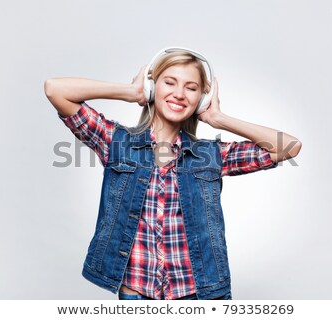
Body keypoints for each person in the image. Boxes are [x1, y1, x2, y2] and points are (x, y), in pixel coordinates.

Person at [44, 47, 302, 300]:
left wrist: (218, 118)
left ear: (200, 99)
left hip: (198, 297)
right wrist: (131, 92)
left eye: (191, 88)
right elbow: (55, 90)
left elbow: (289, 146)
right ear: (153, 87)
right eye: (169, 83)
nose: (179, 94)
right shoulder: (116, 142)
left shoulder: (210, 155)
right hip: (136, 297)